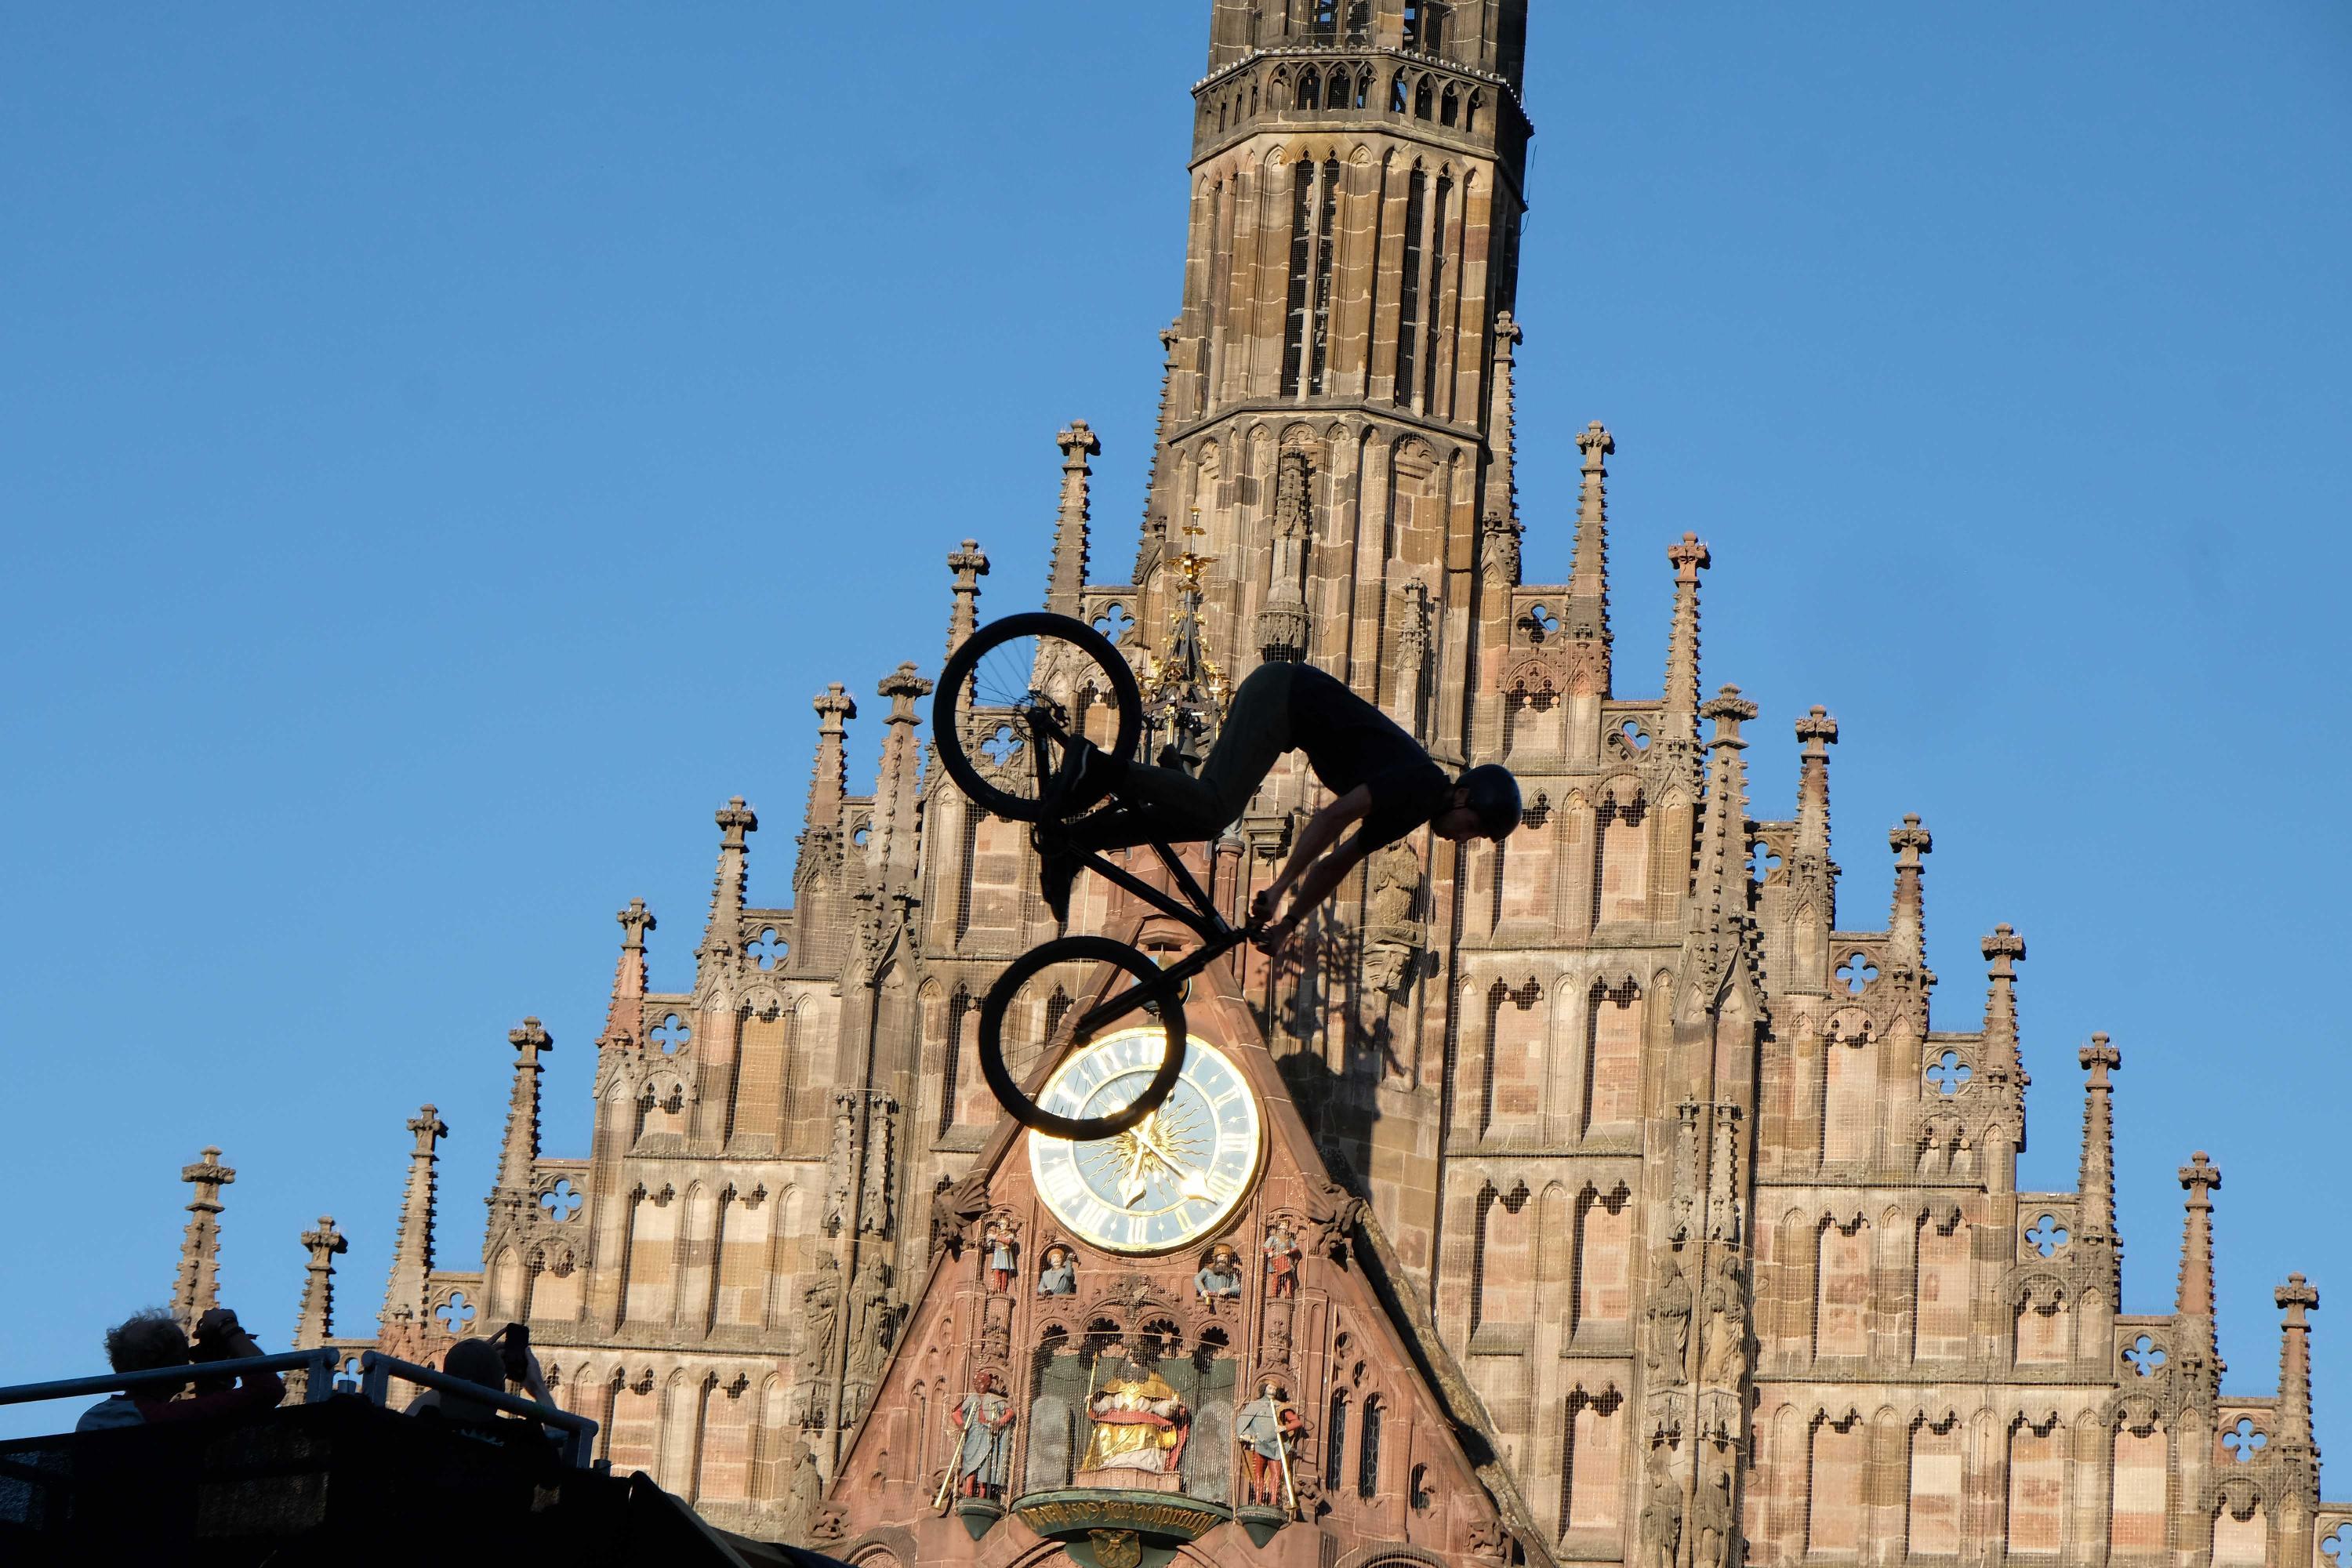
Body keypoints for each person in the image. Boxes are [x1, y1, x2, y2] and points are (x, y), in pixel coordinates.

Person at [1040, 659, 1519, 948]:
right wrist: (1281, 885)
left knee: (1197, 818)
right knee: (1214, 809)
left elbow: (1336, 865)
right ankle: (1095, 766)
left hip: (1285, 708)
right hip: (1283, 698)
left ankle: (1078, 842)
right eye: (1472, 826)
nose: (1463, 838)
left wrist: (1290, 922)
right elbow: (1333, 818)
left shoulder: (1413, 809)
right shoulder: (1420, 787)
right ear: (1463, 796)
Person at [77, 1306, 285, 1431]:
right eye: (185, 1353)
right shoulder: (154, 1417)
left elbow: (205, 1430)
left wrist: (210, 1378)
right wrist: (229, 1328)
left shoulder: (93, 1418)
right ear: (171, 1364)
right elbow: (267, 1390)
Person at [408, 1327, 561, 1455]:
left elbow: (407, 1419)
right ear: (501, 1389)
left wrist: (469, 1362)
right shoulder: (522, 1436)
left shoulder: (427, 1424)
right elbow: (564, 1461)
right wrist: (538, 1388)